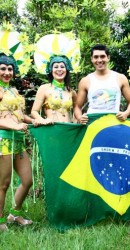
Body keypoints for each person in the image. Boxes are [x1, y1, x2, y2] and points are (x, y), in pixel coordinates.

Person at [0, 53, 34, 231]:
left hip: (18, 141)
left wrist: (33, 121)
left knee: (27, 180)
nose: (7, 72)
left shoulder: (13, 90)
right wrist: (14, 126)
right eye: (3, 68)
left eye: (10, 69)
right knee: (3, 184)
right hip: (3, 140)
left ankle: (14, 214)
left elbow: (20, 115)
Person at [74, 44, 130, 124]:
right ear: (92, 59)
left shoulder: (120, 78)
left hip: (114, 123)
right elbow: (77, 107)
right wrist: (79, 117)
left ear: (108, 58)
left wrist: (126, 113)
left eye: (102, 56)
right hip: (92, 124)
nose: (99, 60)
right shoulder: (85, 81)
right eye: (96, 57)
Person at [31, 55, 77, 123]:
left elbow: (77, 111)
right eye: (55, 67)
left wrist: (75, 122)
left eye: (62, 67)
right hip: (51, 129)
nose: (59, 69)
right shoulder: (44, 89)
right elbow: (34, 111)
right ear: (51, 70)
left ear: (66, 70)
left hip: (68, 129)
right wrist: (43, 121)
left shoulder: (72, 92)